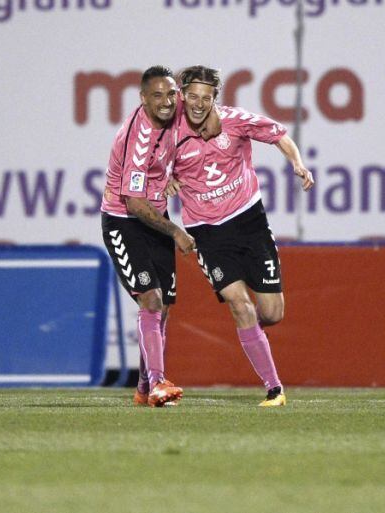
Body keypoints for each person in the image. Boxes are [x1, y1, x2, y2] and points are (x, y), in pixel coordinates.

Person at [167, 65, 314, 407]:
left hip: (249, 221)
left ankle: (253, 333)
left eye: (206, 97)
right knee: (239, 305)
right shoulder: (170, 133)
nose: (198, 103)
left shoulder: (237, 120)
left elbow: (279, 135)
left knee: (272, 313)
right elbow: (152, 169)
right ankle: (274, 388)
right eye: (192, 96)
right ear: (182, 96)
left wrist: (297, 163)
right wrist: (166, 181)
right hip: (206, 231)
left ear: (215, 98)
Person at [100, 65, 218, 407]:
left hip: (156, 216)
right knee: (150, 300)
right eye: (157, 96)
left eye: (171, 94)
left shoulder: (178, 106)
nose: (167, 102)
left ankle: (143, 387)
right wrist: (177, 232)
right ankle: (158, 382)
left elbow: (202, 107)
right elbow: (134, 204)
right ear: (142, 99)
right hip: (126, 221)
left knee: (162, 308)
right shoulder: (135, 140)